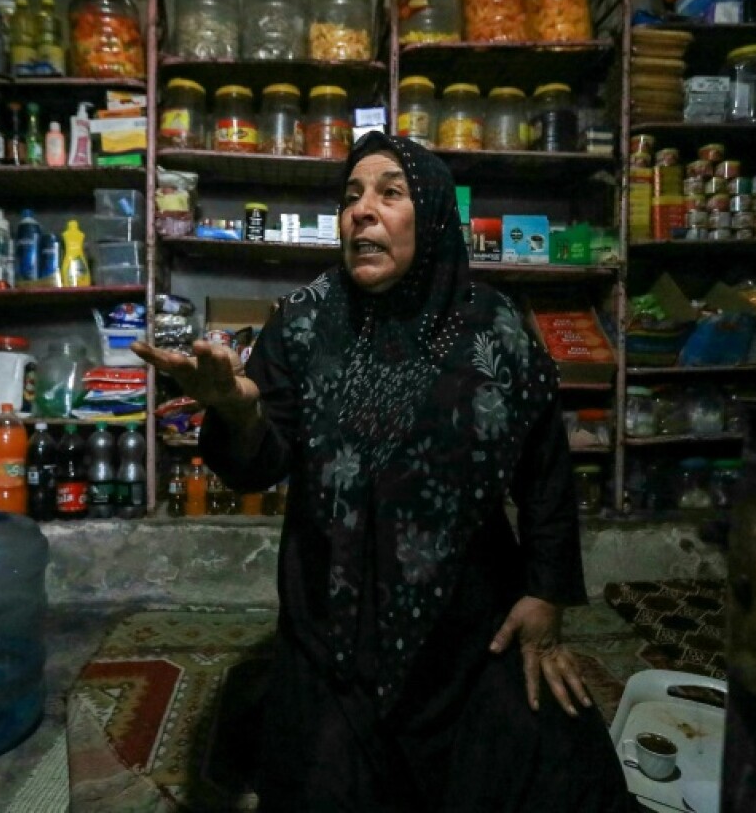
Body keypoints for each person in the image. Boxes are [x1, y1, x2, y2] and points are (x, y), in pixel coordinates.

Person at [132, 132, 629, 812]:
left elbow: (544, 471)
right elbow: (259, 465)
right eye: (351, 196)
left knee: (561, 777)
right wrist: (235, 413)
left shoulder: (497, 329)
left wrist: (545, 597)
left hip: (469, 624)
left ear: (430, 216)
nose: (361, 211)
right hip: (332, 624)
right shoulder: (305, 322)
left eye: (389, 193)